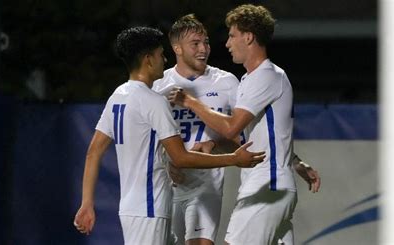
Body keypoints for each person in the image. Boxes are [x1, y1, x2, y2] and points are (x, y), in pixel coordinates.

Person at [72, 26, 265, 245]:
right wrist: (233, 159)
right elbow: (181, 157)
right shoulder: (154, 101)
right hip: (150, 205)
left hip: (133, 206)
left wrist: (87, 202)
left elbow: (93, 152)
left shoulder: (118, 96)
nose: (164, 59)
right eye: (160, 54)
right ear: (148, 59)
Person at [169, 5, 317, 244]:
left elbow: (231, 127)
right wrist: (212, 146)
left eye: (232, 35)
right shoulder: (251, 79)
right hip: (271, 187)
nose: (227, 43)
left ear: (248, 37)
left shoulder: (266, 75)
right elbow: (251, 138)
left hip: (267, 187)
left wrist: (190, 101)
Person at [152, 14, 241, 245]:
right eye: (195, 44)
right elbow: (146, 138)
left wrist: (214, 143)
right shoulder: (158, 85)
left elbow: (242, 138)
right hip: (166, 185)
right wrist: (167, 161)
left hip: (206, 186)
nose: (204, 49)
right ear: (177, 48)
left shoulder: (227, 82)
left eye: (206, 42)